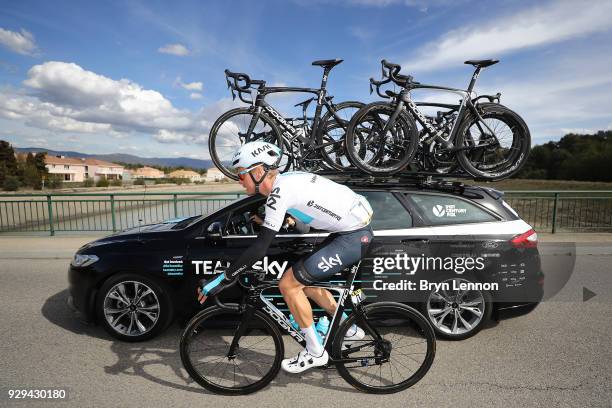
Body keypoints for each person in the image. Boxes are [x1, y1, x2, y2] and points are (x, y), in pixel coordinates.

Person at [197, 141, 373, 374]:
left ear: (258, 172)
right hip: (350, 229)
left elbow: (260, 248)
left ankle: (315, 352)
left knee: (288, 284)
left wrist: (222, 279)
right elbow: (303, 221)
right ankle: (349, 329)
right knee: (303, 279)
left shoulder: (280, 192)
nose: (239, 181)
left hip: (353, 235)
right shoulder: (285, 182)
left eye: (241, 175)